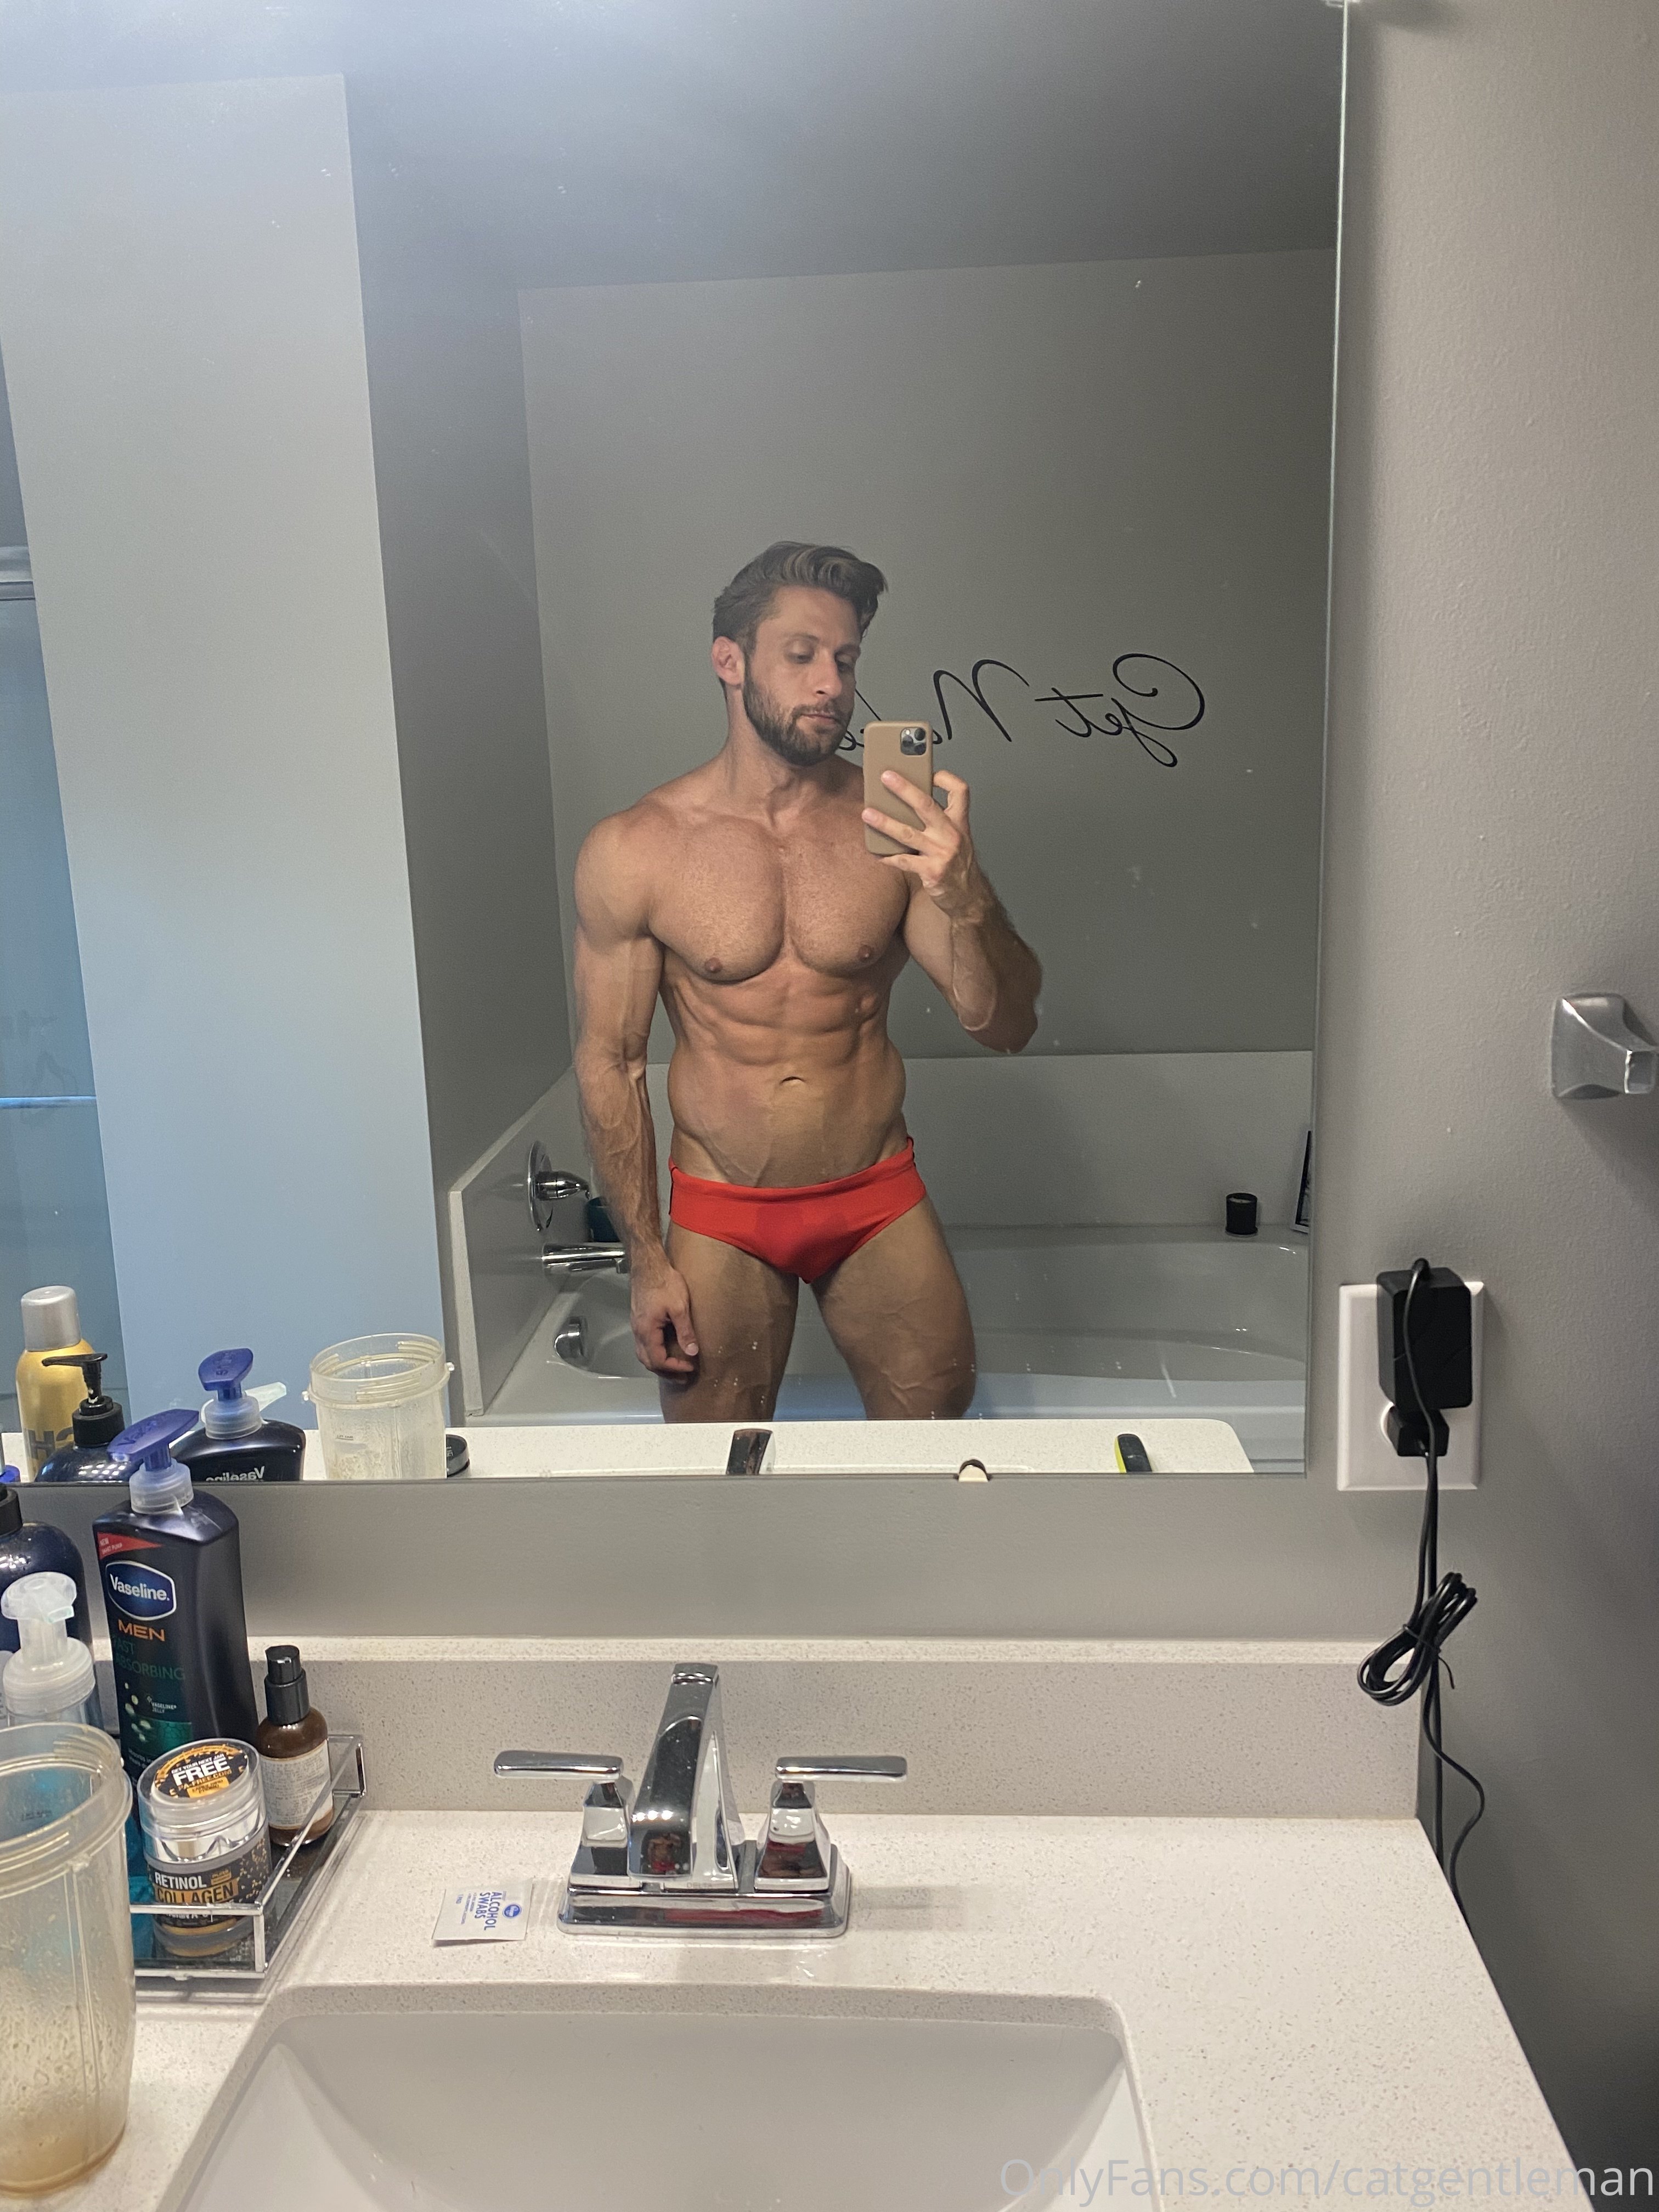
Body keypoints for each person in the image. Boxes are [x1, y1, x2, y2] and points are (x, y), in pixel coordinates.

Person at [572, 540, 1041, 1421]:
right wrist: (646, 1260)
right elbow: (612, 1062)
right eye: (801, 655)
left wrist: (966, 894)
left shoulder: (895, 831)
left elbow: (1006, 1025)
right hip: (721, 1209)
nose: (832, 683)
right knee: (721, 1474)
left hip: (876, 1198)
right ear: (730, 660)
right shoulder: (637, 848)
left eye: (847, 659)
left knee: (931, 1451)